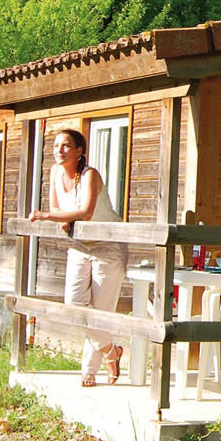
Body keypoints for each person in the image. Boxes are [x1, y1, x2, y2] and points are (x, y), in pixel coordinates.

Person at [33, 128, 129, 386]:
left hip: (108, 246)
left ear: (79, 151)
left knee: (100, 311)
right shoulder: (55, 173)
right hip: (79, 244)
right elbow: (57, 207)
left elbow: (85, 212)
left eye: (66, 146)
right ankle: (111, 350)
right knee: (74, 304)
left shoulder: (90, 175)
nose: (59, 150)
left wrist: (49, 216)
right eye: (56, 146)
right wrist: (59, 218)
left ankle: (89, 370)